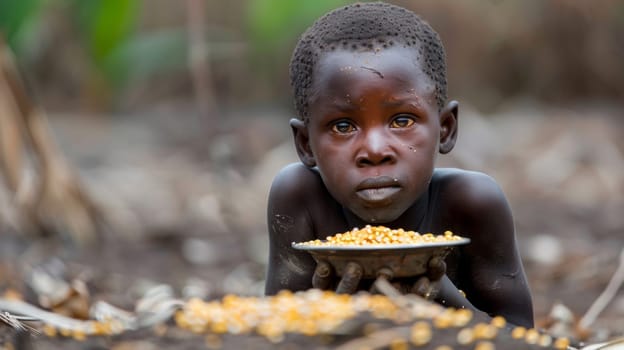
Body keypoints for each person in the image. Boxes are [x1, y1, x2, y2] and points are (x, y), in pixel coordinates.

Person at [264, 1, 533, 328]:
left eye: (402, 120)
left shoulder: (472, 204)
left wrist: (443, 297)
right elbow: (276, 331)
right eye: (343, 127)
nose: (375, 151)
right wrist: (331, 313)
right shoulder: (300, 200)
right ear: (306, 145)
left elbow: (521, 336)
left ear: (445, 129)